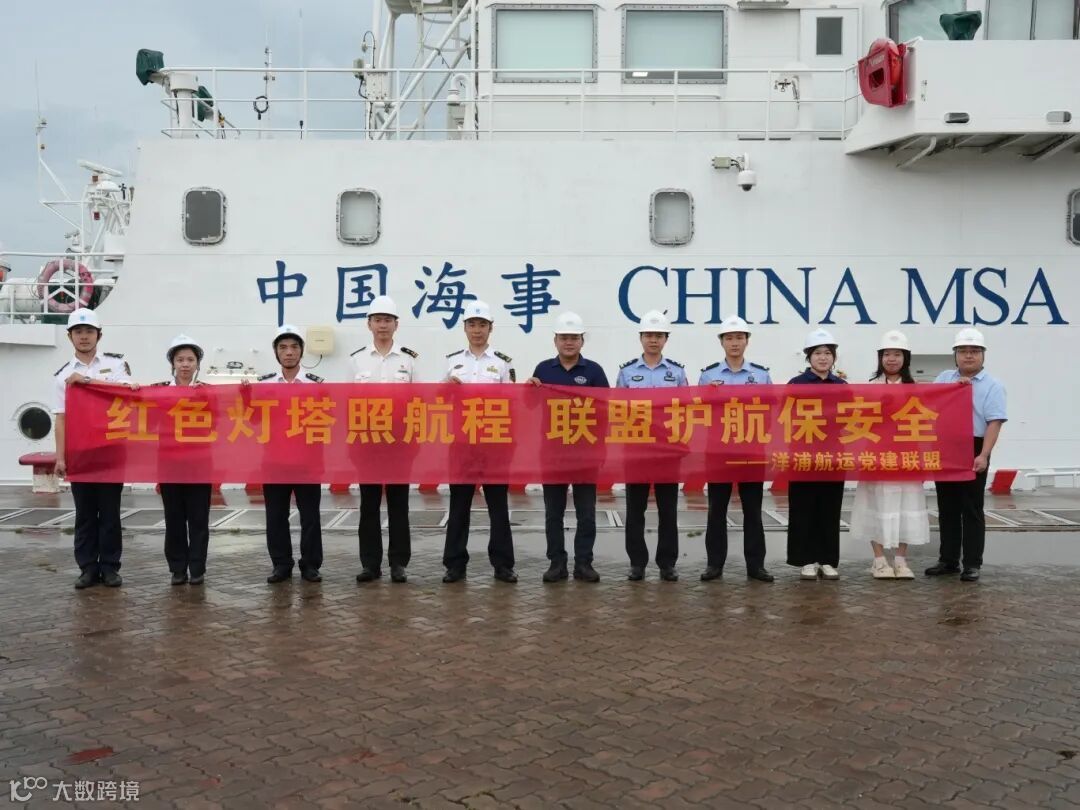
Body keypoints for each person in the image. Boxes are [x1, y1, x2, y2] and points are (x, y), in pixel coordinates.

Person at [52, 307, 139, 589]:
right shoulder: (62, 375)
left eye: (89, 331)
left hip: (111, 451)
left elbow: (127, 392)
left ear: (99, 335)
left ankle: (110, 567)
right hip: (81, 454)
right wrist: (61, 457)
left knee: (110, 513)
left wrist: (87, 381)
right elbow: (61, 419)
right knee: (85, 515)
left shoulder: (116, 364)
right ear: (70, 337)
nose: (84, 336)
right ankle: (88, 568)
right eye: (78, 332)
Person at [526, 311, 609, 584]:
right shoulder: (543, 370)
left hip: (586, 453)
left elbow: (605, 411)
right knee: (554, 513)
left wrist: (602, 450)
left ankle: (584, 563)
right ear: (555, 341)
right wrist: (529, 389)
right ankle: (557, 563)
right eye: (564, 337)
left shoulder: (594, 371)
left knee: (586, 514)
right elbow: (530, 406)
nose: (569, 342)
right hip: (553, 452)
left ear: (582, 340)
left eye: (574, 337)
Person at [442, 301, 518, 584]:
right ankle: (454, 564)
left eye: (482, 325)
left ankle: (503, 564)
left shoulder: (503, 362)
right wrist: (446, 390)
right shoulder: (452, 361)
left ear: (490, 328)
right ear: (464, 328)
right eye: (472, 325)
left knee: (498, 506)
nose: (477, 330)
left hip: (494, 442)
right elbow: (439, 400)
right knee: (459, 505)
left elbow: (512, 402)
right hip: (462, 442)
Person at [698, 314, 775, 584]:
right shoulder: (708, 375)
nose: (734, 343)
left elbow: (769, 412)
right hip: (718, 451)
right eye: (729, 338)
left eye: (739, 338)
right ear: (721, 342)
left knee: (752, 510)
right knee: (716, 510)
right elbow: (700, 412)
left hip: (751, 450)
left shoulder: (761, 375)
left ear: (747, 341)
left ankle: (756, 566)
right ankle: (714, 564)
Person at [926, 327, 1007, 583]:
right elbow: (929, 405)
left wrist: (984, 455)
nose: (968, 356)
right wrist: (953, 388)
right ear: (955, 354)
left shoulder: (993, 385)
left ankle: (972, 563)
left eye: (974, 351)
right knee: (947, 506)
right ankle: (948, 560)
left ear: (983, 355)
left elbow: (994, 422)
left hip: (974, 446)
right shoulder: (944, 378)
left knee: (971, 507)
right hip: (947, 446)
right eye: (963, 351)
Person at [849, 330, 929, 580]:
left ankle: (901, 561)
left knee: (907, 506)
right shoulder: (869, 387)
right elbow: (856, 423)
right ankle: (879, 560)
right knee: (875, 504)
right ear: (880, 358)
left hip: (907, 457)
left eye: (897, 354)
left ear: (906, 358)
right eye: (886, 354)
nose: (891, 359)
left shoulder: (916, 389)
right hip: (877, 456)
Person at [616, 309, 688, 581]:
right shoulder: (627, 372)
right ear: (641, 338)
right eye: (648, 335)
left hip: (667, 451)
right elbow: (618, 410)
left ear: (666, 339)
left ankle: (667, 563)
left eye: (658, 335)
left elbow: (685, 410)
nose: (653, 340)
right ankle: (637, 563)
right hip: (636, 449)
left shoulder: (677, 372)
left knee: (668, 510)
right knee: (636, 510)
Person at [351, 295, 418, 585]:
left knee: (398, 504)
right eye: (377, 320)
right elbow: (348, 403)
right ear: (369, 324)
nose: (382, 325)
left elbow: (418, 402)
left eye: (387, 320)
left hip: (400, 444)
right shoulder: (356, 360)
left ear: (396, 325)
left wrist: (414, 441)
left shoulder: (409, 359)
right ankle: (370, 564)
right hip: (367, 443)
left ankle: (398, 563)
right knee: (368, 504)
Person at [254, 325, 325, 584]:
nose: (289, 352)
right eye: (283, 347)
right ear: (276, 352)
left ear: (302, 351)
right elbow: (253, 420)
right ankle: (281, 564)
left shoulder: (316, 385)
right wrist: (244, 395)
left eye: (294, 347)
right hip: (274, 461)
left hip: (307, 461)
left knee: (310, 516)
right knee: (275, 516)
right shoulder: (263, 385)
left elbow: (327, 421)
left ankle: (310, 564)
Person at [786, 328, 847, 581]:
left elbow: (849, 419)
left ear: (834, 357)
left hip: (833, 457)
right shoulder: (796, 384)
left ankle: (828, 560)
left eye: (828, 353)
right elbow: (786, 417)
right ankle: (806, 560)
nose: (823, 358)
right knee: (803, 508)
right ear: (809, 357)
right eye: (818, 353)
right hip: (803, 456)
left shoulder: (841, 386)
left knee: (830, 509)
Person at [153, 335, 213, 586]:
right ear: (173, 363)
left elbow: (227, 417)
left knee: (199, 519)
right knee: (174, 518)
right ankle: (178, 568)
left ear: (197, 363)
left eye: (190, 359)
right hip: (170, 465)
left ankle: (197, 568)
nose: (185, 364)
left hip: (200, 465)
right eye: (180, 360)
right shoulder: (158, 391)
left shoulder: (208, 392)